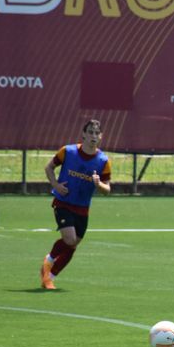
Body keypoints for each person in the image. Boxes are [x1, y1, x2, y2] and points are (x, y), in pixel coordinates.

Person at [39, 119, 111, 289]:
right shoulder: (68, 151)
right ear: (83, 134)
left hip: (83, 208)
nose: (94, 136)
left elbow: (107, 189)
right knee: (70, 239)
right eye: (90, 132)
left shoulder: (103, 160)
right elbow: (49, 168)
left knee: (72, 245)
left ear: (101, 136)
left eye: (97, 133)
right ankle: (49, 261)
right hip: (63, 202)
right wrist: (56, 185)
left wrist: (98, 184)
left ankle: (49, 277)